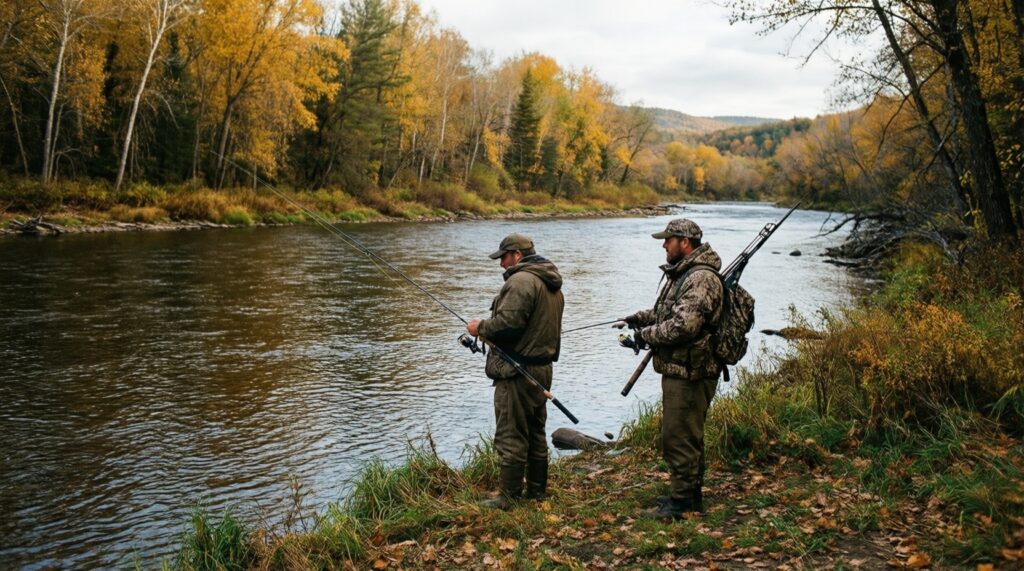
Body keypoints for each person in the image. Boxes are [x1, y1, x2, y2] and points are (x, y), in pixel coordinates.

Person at [621, 218, 724, 519]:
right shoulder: (684, 275)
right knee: (683, 435)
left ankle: (683, 505)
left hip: (693, 371)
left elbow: (684, 326)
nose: (664, 245)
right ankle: (687, 496)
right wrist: (638, 318)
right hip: (682, 369)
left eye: (668, 240)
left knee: (679, 437)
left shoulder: (700, 278)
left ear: (685, 243)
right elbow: (666, 312)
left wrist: (642, 336)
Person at [466, 233, 564, 509]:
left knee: (511, 434)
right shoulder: (549, 282)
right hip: (541, 369)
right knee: (535, 431)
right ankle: (536, 491)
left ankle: (508, 498)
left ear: (517, 255)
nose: (501, 265)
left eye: (504, 258)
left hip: (516, 372)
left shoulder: (521, 281)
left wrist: (480, 328)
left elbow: (508, 324)